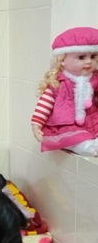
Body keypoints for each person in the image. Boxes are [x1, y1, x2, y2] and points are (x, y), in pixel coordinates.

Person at [31, 27, 98, 156]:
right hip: (68, 124)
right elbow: (45, 103)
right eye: (81, 57)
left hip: (93, 120)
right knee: (74, 140)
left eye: (93, 56)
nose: (89, 61)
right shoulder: (59, 82)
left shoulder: (95, 78)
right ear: (62, 61)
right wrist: (36, 124)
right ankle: (91, 148)